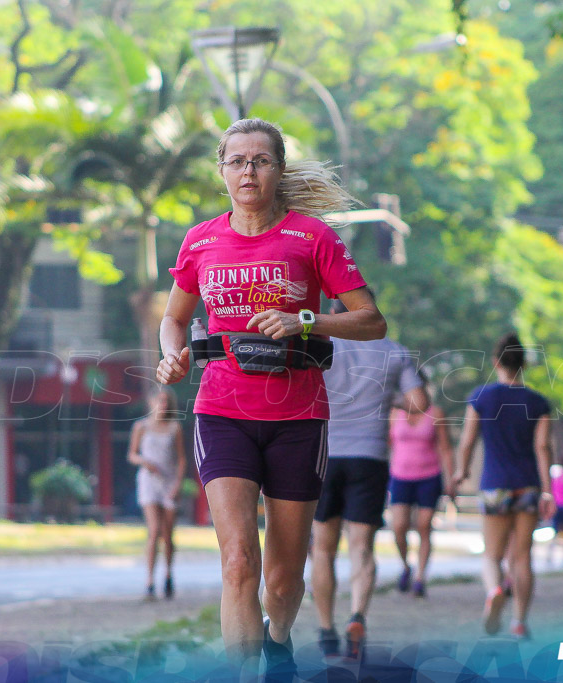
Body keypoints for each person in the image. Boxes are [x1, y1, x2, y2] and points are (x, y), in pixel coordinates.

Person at [157, 117, 386, 679]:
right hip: (222, 410)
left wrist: (304, 318)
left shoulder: (312, 237)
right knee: (238, 560)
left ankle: (277, 637)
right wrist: (173, 353)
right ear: (222, 171)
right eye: (237, 161)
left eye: (260, 160)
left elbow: (371, 321)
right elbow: (174, 317)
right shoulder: (202, 240)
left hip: (297, 418)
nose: (248, 171)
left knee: (284, 577)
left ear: (279, 169)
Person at [311, 304, 428, 660]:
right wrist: (389, 398)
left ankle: (326, 629)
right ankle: (357, 615)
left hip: (325, 455)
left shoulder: (321, 344)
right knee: (362, 547)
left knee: (323, 548)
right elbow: (419, 403)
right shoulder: (393, 350)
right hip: (371, 457)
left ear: (334, 313)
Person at [451, 332, 555, 640]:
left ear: (496, 362)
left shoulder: (481, 397)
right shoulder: (538, 403)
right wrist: (548, 489)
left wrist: (461, 472)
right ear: (523, 364)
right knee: (522, 557)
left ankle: (495, 589)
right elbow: (542, 448)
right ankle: (519, 622)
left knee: (492, 556)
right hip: (528, 487)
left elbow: (468, 441)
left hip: (494, 485)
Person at [388, 372, 454, 599]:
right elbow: (386, 445)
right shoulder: (394, 414)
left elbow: (445, 449)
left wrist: (451, 479)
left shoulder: (436, 414)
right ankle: (406, 566)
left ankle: (420, 578)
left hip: (429, 476)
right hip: (400, 476)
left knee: (424, 526)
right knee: (399, 526)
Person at [127, 387, 186, 600]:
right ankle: (149, 582)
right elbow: (132, 455)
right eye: (159, 401)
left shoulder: (174, 428)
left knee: (167, 534)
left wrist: (177, 485)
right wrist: (144, 462)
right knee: (153, 531)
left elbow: (181, 459)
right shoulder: (141, 427)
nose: (163, 405)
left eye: (166, 401)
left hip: (169, 482)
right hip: (148, 481)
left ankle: (168, 575)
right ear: (151, 403)